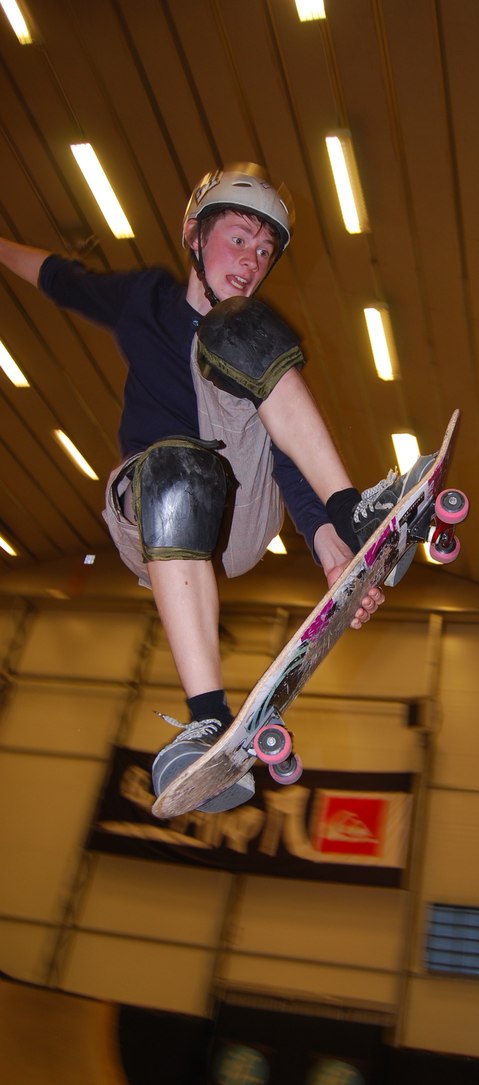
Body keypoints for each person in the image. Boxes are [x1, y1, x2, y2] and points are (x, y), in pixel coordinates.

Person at [0, 163, 428, 811]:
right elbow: (63, 279)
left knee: (239, 328)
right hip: (152, 515)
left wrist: (335, 548)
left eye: (264, 251)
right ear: (194, 236)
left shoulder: (247, 328)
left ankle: (354, 507)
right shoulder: (145, 298)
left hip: (241, 512)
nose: (252, 260)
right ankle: (208, 717)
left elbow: (284, 454)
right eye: (238, 239)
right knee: (177, 461)